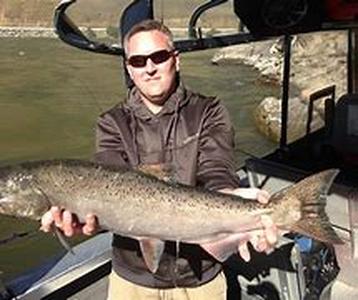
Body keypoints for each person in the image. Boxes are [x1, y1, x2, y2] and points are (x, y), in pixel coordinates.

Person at [41, 19, 278, 300]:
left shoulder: (208, 111)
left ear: (176, 60)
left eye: (159, 57)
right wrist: (82, 215)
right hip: (132, 278)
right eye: (138, 61)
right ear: (129, 68)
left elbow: (216, 168)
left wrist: (231, 198)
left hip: (201, 275)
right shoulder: (111, 123)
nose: (149, 68)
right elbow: (110, 186)